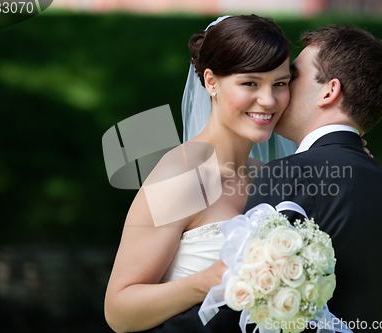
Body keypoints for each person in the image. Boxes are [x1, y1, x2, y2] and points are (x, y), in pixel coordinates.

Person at [104, 15, 293, 333]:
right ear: (210, 82)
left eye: (280, 83)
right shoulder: (181, 176)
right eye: (250, 83)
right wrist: (206, 281)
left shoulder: (269, 178)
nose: (269, 100)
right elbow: (119, 310)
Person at [244, 25, 382, 330]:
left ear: (329, 91)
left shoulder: (290, 173)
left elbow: (250, 309)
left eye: (292, 77)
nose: (279, 87)